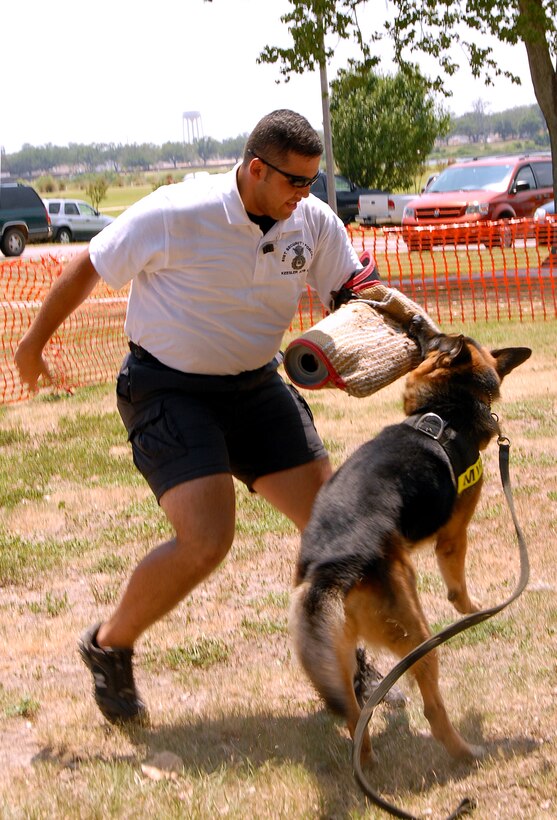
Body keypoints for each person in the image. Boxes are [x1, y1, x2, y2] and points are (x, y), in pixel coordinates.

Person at [15, 109, 399, 724]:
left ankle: (346, 662)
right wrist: (32, 345)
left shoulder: (312, 222)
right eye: (296, 182)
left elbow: (353, 290)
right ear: (255, 169)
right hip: (167, 389)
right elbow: (90, 264)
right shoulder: (177, 211)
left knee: (339, 526)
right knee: (208, 538)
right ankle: (109, 645)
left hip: (255, 386)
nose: (306, 195)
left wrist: (404, 330)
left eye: (312, 181)